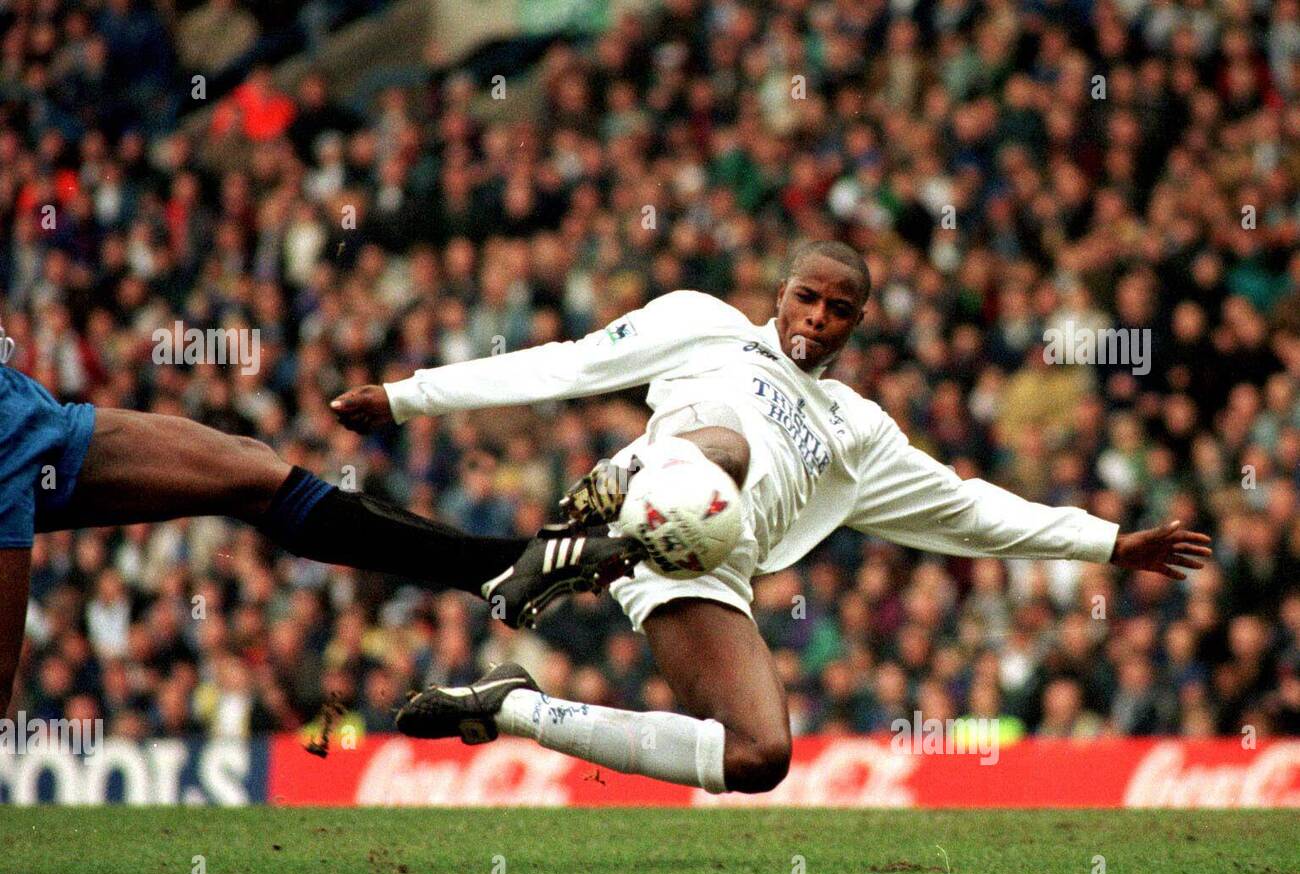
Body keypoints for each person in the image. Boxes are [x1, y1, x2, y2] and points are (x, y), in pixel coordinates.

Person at [330, 240, 1213, 795]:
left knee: (760, 758)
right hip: (659, 482)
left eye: (839, 311)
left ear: (858, 324)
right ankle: (598, 522)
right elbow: (564, 366)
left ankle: (514, 704)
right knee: (725, 455)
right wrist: (409, 399)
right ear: (779, 292)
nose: (817, 319)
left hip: (703, 565)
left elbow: (971, 510)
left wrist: (1108, 542)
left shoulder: (858, 430)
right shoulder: (705, 327)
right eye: (807, 298)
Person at [0, 322, 642, 708]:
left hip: (33, 421)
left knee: (250, 469)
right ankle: (500, 566)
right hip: (7, 450)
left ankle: (499, 566)